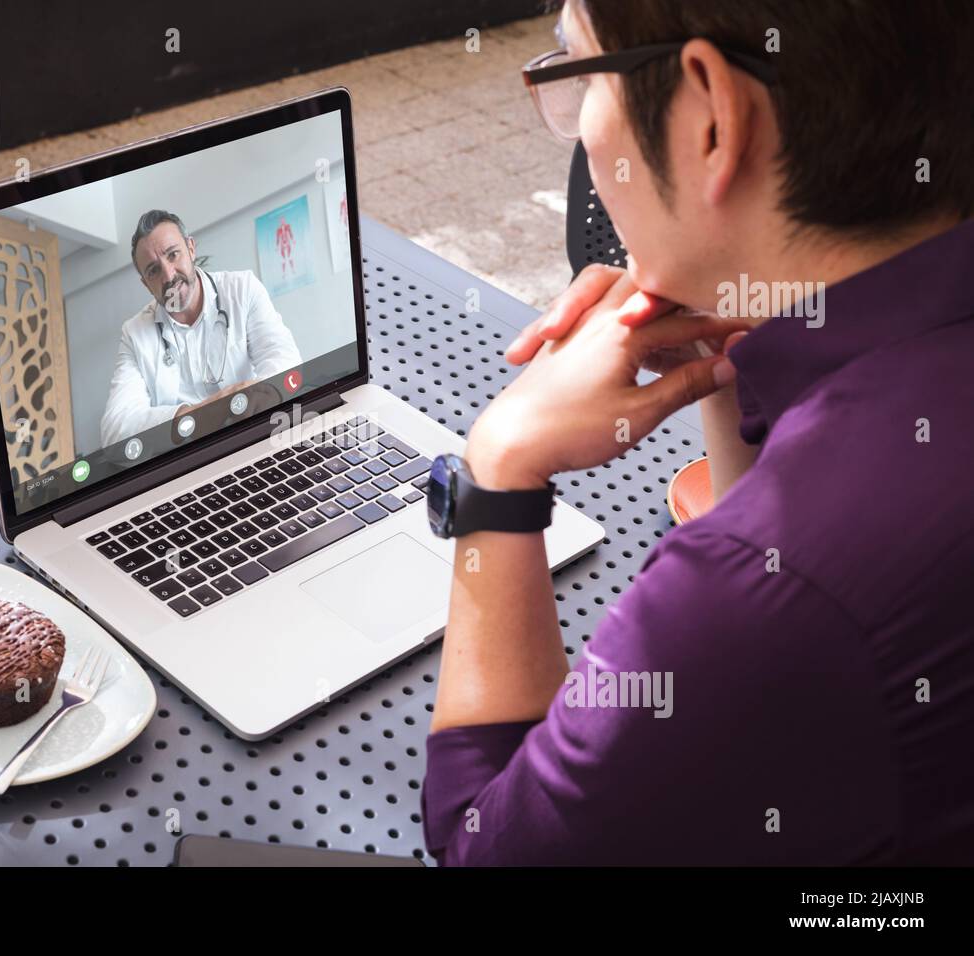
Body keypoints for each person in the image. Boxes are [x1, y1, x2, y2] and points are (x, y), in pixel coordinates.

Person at [422, 0, 974, 864]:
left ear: (712, 116)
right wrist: (733, 323)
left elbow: (482, 843)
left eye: (577, 71)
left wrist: (497, 471)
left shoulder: (758, 592)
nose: (580, 139)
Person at [99, 209, 301, 448]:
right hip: (189, 460)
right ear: (146, 283)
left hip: (256, 437)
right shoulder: (135, 334)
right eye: (153, 270)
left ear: (191, 249)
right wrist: (198, 415)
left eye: (173, 255)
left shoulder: (242, 290)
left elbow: (286, 360)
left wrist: (264, 391)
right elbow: (114, 431)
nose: (169, 276)